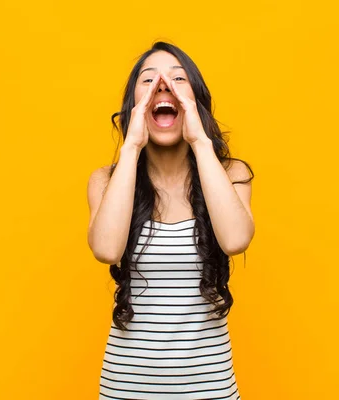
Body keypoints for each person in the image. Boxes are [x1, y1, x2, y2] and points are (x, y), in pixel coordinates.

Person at [87, 41, 255, 399]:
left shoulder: (231, 173)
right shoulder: (106, 181)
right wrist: (130, 147)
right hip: (125, 388)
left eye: (178, 79)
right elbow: (105, 248)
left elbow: (236, 239)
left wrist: (199, 139)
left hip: (209, 387)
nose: (163, 85)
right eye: (149, 81)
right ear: (134, 107)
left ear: (195, 103)